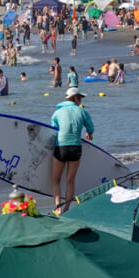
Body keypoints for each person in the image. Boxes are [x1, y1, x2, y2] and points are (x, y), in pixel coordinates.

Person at [50, 87, 94, 215]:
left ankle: (58, 207)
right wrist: (89, 134)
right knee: (70, 181)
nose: (80, 100)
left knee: (55, 180)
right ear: (74, 98)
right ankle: (67, 209)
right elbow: (90, 127)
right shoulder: (82, 111)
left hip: (61, 147)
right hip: (76, 148)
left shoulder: (57, 112)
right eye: (79, 98)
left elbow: (53, 130)